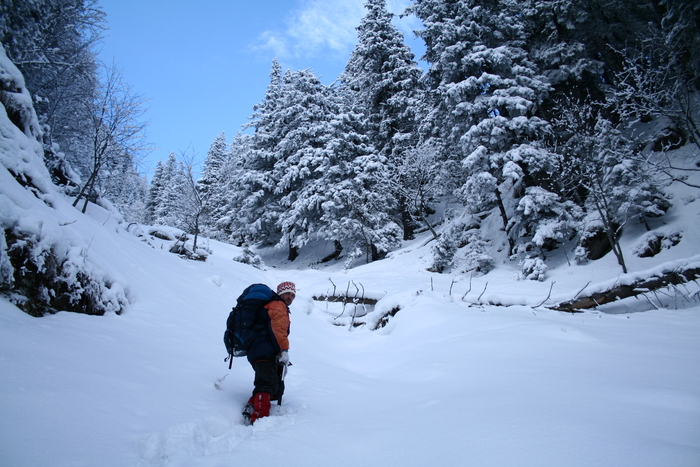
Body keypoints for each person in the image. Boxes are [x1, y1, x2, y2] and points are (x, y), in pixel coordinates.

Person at [242, 281, 295, 425]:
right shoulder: (278, 306)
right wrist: (284, 350)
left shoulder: (274, 305)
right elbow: (278, 331)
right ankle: (260, 418)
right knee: (266, 384)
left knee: (268, 383)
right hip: (263, 349)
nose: (290, 297)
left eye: (292, 295)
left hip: (261, 349)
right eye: (287, 293)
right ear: (280, 293)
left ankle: (251, 406)